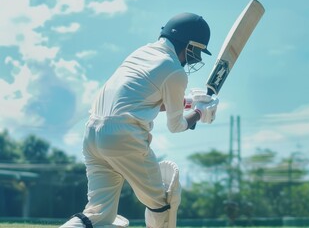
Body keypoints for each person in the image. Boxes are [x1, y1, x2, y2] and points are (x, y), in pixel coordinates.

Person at [60, 12, 219, 228]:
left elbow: (144, 101)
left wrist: (189, 102)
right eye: (197, 51)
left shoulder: (142, 52)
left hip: (92, 133)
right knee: (163, 201)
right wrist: (200, 112)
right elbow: (177, 126)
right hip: (123, 137)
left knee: (98, 214)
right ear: (188, 44)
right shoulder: (175, 71)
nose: (196, 58)